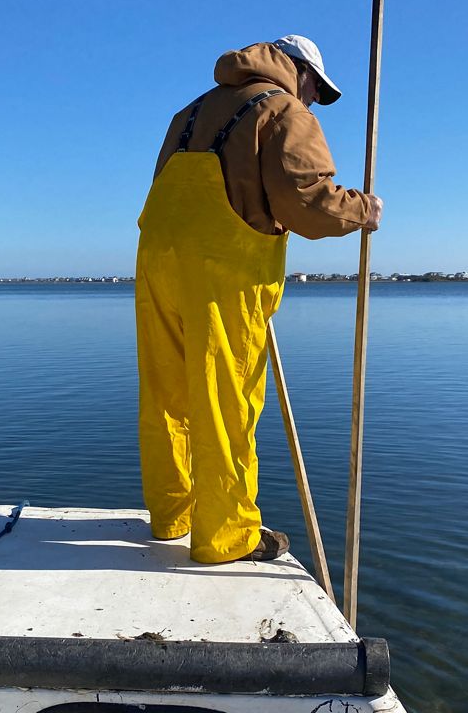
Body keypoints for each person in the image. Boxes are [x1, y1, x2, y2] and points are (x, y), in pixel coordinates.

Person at [135, 35, 383, 564]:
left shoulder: (190, 110)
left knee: (166, 395)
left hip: (157, 259)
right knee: (227, 403)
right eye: (317, 88)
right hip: (223, 271)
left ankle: (170, 515)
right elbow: (307, 204)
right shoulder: (283, 110)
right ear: (300, 73)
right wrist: (364, 210)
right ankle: (226, 537)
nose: (315, 100)